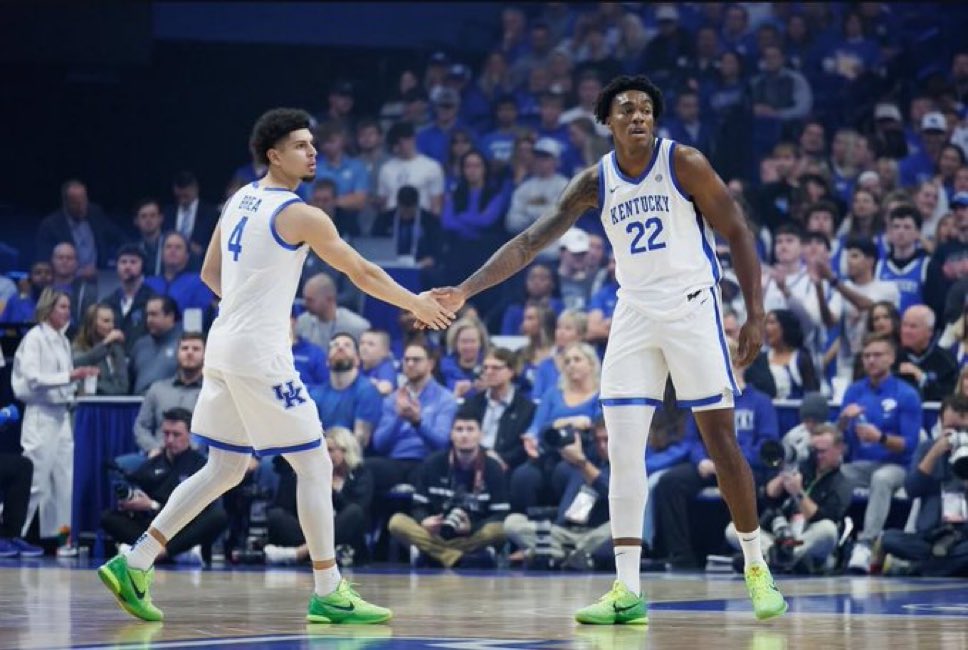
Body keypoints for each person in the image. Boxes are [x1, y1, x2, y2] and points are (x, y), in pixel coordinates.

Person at [430, 75, 788, 623]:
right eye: (627, 109)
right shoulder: (594, 181)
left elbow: (738, 231)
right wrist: (464, 290)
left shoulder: (684, 162)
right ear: (608, 121)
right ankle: (626, 589)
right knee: (621, 451)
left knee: (720, 441)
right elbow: (529, 243)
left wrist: (756, 314)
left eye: (646, 108)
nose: (639, 116)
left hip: (693, 308)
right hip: (635, 314)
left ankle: (756, 567)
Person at [96, 107, 453, 624]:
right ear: (274, 155)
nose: (313, 153)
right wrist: (414, 302)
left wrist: (249, 307)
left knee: (225, 468)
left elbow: (210, 273)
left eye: (313, 144)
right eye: (301, 145)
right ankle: (329, 590)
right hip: (259, 353)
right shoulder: (301, 213)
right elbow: (360, 271)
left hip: (223, 345)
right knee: (316, 464)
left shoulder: (238, 198)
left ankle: (135, 561)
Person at [11, 289, 99, 556]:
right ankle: (9, 534)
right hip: (40, 414)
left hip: (61, 415)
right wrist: (69, 377)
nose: (67, 311)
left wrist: (75, 385)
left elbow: (64, 378)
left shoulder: (62, 340)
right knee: (34, 480)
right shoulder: (34, 338)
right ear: (48, 308)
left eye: (68, 306)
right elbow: (32, 378)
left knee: (63, 482)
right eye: (62, 306)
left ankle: (60, 540)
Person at [101, 408, 227, 566]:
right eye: (166, 434)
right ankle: (178, 553)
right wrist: (131, 502)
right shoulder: (152, 464)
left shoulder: (201, 466)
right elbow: (136, 493)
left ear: (190, 435)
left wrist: (153, 505)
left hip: (185, 525)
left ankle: (162, 552)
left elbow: (203, 508)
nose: (170, 440)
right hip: (155, 525)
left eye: (176, 434)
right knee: (108, 517)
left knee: (218, 516)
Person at [387, 409, 509, 568]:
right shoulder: (432, 464)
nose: (464, 435)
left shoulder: (493, 468)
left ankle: (432, 555)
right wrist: (424, 521)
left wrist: (472, 527)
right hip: (435, 534)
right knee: (396, 522)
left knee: (500, 530)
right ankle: (460, 557)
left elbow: (500, 515)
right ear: (451, 435)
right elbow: (418, 506)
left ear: (481, 435)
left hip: (472, 536)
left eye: (470, 429)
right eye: (459, 429)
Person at [265, 427, 373, 567]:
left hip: (341, 532)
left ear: (346, 450)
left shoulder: (360, 474)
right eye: (323, 451)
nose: (326, 455)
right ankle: (317, 553)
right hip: (310, 530)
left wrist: (329, 490)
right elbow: (288, 507)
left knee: (354, 512)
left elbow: (359, 511)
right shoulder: (310, 474)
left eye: (331, 450)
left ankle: (301, 553)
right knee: (276, 515)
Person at [133, 333, 205, 455]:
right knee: (118, 464)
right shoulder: (157, 389)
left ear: (206, 355)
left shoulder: (212, 394)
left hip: (197, 457)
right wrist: (153, 448)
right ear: (177, 353)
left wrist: (192, 450)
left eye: (196, 349)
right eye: (184, 348)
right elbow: (141, 426)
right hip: (158, 454)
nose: (189, 352)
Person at [72, 303, 129, 396]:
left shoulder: (116, 348)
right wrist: (105, 344)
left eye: (112, 321)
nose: (111, 326)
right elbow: (76, 365)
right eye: (106, 321)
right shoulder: (78, 347)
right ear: (92, 323)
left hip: (114, 401)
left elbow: (123, 387)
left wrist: (94, 386)